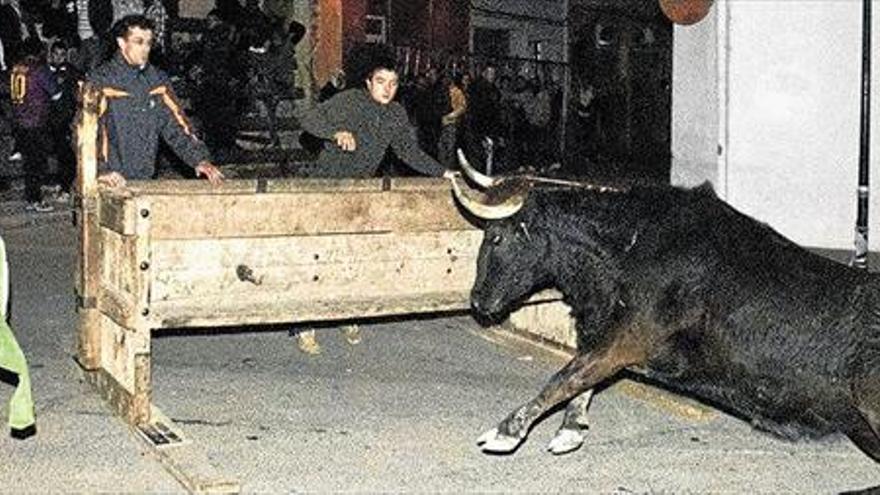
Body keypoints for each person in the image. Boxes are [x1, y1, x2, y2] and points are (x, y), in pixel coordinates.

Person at [294, 44, 455, 354]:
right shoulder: (351, 101)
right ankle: (305, 323)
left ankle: (347, 314)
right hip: (326, 190)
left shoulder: (395, 114)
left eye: (393, 83)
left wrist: (443, 173)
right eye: (381, 82)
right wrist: (334, 132)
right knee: (319, 257)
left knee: (352, 255)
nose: (387, 89)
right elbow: (309, 119)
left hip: (359, 194)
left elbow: (409, 153)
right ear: (368, 82)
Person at [85, 15, 223, 188]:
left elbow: (176, 124)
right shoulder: (101, 81)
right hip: (110, 180)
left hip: (144, 178)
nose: (145, 49)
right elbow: (88, 132)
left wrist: (199, 159)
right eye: (139, 42)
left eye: (149, 43)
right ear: (121, 43)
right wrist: (101, 170)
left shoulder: (157, 81)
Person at [10, 38, 62, 212]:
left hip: (19, 120)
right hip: (36, 121)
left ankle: (32, 194)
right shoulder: (39, 70)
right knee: (37, 162)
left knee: (29, 163)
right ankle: (35, 199)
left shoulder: (17, 68)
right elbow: (55, 94)